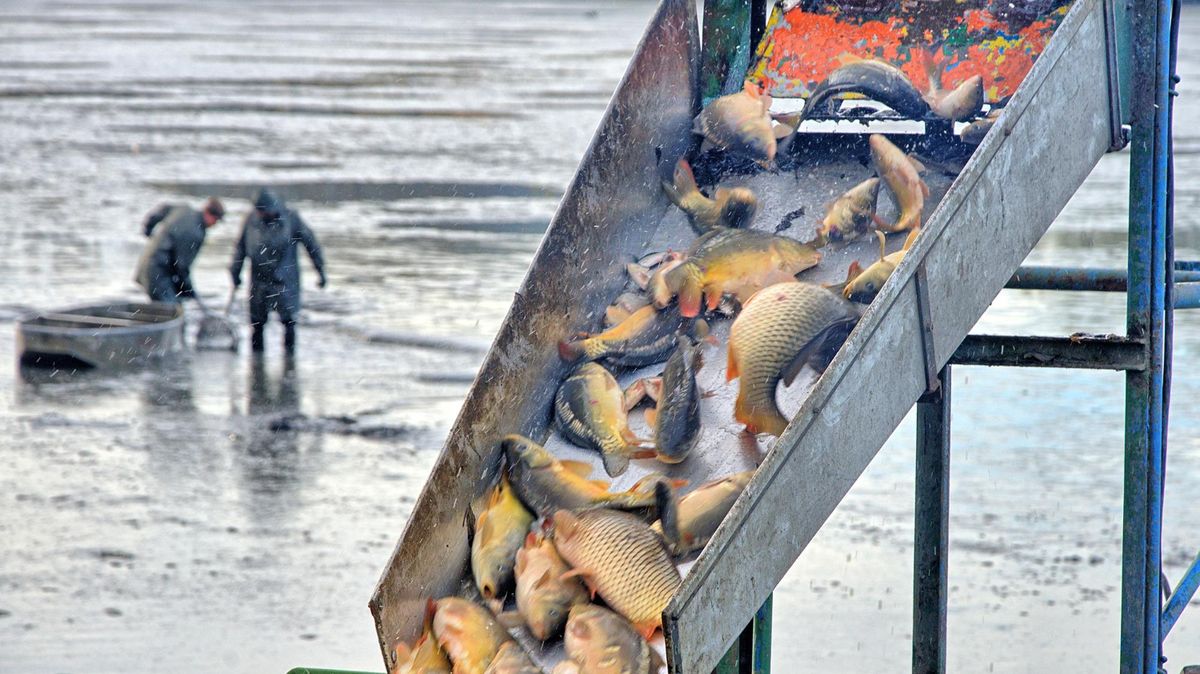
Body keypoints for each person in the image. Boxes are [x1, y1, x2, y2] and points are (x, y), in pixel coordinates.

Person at [229, 188, 327, 354]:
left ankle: (289, 361)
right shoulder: (251, 220)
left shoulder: (291, 218)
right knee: (257, 324)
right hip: (259, 281)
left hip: (285, 280)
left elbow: (311, 244)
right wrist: (235, 272)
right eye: (258, 211)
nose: (260, 214)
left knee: (289, 323)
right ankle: (257, 363)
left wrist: (320, 270)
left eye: (263, 211)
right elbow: (240, 248)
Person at [134, 197, 225, 303]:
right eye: (216, 220)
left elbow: (158, 213)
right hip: (158, 272)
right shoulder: (195, 233)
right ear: (209, 214)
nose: (215, 224)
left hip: (146, 262)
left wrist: (148, 232)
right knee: (170, 308)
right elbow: (182, 267)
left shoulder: (183, 209)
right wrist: (190, 291)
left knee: (172, 302)